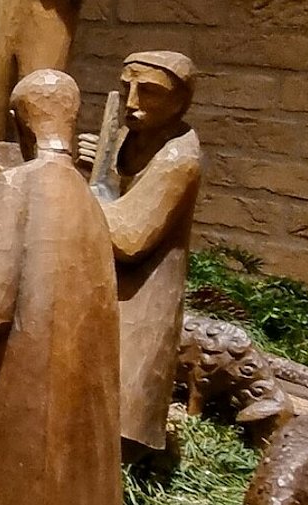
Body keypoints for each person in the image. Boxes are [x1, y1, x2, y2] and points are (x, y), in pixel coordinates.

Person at [0, 69, 120, 505]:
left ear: (20, 124)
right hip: (87, 411)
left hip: (26, 391)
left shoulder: (14, 185)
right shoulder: (93, 201)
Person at [78, 51, 203, 460]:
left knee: (123, 404)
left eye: (149, 92)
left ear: (180, 100)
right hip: (111, 286)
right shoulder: (131, 136)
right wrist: (99, 167)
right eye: (126, 88)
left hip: (144, 294)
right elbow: (116, 187)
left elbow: (130, 239)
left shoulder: (179, 158)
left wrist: (86, 192)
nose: (132, 103)